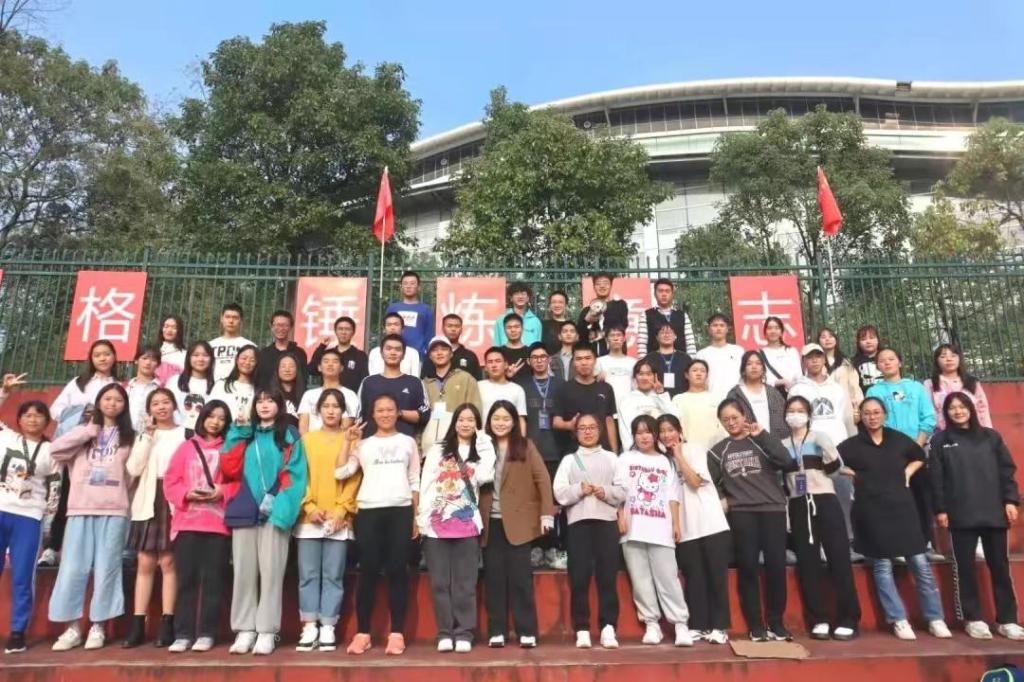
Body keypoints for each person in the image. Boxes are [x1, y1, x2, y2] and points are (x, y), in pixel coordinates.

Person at [838, 397, 951, 641]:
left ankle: (935, 618)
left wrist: (908, 471)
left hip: (903, 509)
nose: (872, 417)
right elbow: (833, 463)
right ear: (861, 417)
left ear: (885, 414)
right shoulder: (851, 445)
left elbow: (919, 456)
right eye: (867, 413)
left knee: (920, 563)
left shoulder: (898, 439)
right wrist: (853, 473)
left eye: (876, 412)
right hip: (872, 511)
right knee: (882, 566)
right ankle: (898, 619)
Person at [48, 384, 135, 651]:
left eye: (118, 400)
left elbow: (132, 474)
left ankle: (98, 626)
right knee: (73, 568)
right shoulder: (83, 432)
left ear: (125, 405)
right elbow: (55, 451)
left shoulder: (129, 436)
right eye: (107, 399)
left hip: (114, 509)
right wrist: (87, 432)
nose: (112, 404)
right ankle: (72, 627)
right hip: (80, 508)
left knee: (107, 569)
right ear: (98, 402)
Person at [930, 392, 1024, 640]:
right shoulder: (940, 441)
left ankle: (1007, 620)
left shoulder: (991, 437)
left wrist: (1010, 500)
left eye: (962, 406)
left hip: (994, 512)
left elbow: (1007, 470)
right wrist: (940, 509)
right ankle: (973, 619)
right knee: (965, 569)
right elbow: (936, 479)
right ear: (946, 413)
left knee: (1000, 568)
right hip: (960, 515)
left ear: (971, 408)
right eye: (952, 408)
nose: (958, 411)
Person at [221, 389, 307, 656]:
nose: (264, 405)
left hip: (275, 512)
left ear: (280, 405)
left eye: (270, 400)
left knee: (271, 573)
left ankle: (267, 630)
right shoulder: (244, 433)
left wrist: (280, 507)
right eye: (259, 401)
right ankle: (244, 629)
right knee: (243, 572)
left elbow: (295, 474)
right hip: (245, 509)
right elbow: (229, 468)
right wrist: (238, 432)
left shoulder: (289, 434)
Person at [335, 394, 420, 656]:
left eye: (390, 409)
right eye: (380, 410)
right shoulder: (364, 445)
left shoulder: (408, 442)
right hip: (369, 511)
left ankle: (397, 633)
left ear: (397, 413)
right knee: (368, 571)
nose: (385, 414)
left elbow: (414, 480)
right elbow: (341, 472)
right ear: (372, 414)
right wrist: (347, 442)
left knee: (397, 570)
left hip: (400, 510)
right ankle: (363, 633)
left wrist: (415, 516)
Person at [708, 399, 797, 641]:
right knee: (748, 568)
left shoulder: (761, 440)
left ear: (744, 416)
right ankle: (756, 625)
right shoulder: (718, 451)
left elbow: (787, 462)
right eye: (725, 420)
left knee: (776, 567)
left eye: (734, 417)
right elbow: (710, 483)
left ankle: (776, 623)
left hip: (773, 510)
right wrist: (724, 498)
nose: (731, 423)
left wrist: (763, 436)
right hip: (742, 513)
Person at [780, 396, 860, 641]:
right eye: (791, 410)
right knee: (808, 562)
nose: (795, 414)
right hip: (798, 503)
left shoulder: (819, 438)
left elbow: (835, 469)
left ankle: (848, 618)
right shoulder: (782, 445)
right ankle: (819, 619)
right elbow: (782, 480)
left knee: (839, 558)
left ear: (808, 415)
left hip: (824, 499)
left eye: (800, 410)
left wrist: (826, 450)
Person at [419, 404, 495, 653]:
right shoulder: (438, 450)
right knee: (440, 583)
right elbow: (427, 483)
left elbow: (485, 476)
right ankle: (445, 632)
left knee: (465, 584)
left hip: (467, 524)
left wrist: (483, 440)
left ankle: (464, 632)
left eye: (471, 420)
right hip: (436, 525)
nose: (465, 424)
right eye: (461, 419)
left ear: (477, 424)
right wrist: (422, 518)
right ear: (454, 422)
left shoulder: (481, 451)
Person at [480, 400, 555, 649]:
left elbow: (542, 479)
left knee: (521, 579)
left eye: (505, 419)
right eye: (496, 418)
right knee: (494, 579)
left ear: (514, 422)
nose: (500, 423)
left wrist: (546, 514)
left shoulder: (525, 446)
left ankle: (527, 630)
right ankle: (497, 631)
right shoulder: (482, 446)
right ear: (489, 421)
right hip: (489, 522)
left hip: (520, 523)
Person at [614, 415, 693, 647]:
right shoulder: (625, 458)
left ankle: (680, 624)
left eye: (648, 432)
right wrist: (620, 518)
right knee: (640, 580)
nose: (644, 437)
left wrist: (676, 524)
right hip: (632, 529)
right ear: (633, 436)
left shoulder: (666, 462)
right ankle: (651, 624)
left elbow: (672, 496)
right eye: (639, 433)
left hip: (661, 528)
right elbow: (618, 491)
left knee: (668, 578)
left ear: (655, 434)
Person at [39, 339, 119, 567]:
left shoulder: (119, 385)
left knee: (95, 496)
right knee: (66, 494)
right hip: (76, 446)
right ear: (91, 359)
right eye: (97, 355)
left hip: (104, 448)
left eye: (107, 354)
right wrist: (83, 412)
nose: (103, 358)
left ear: (115, 357)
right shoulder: (78, 383)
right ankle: (52, 547)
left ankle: (88, 552)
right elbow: (55, 411)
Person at [294, 390, 362, 653]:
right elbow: (298, 476)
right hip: (309, 519)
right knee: (308, 574)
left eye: (336, 406)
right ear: (318, 410)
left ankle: (328, 626)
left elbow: (354, 479)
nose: (331, 411)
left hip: (338, 520)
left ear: (343, 411)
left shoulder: (351, 440)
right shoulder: (306, 440)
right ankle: (309, 625)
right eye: (326, 406)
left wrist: (341, 511)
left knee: (333, 575)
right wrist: (309, 506)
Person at [162, 400, 233, 653]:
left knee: (213, 581)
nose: (216, 422)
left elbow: (238, 482)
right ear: (202, 418)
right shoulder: (186, 447)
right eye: (211, 416)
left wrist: (221, 491)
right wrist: (186, 493)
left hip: (218, 525)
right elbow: (170, 481)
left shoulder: (230, 448)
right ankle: (183, 633)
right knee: (186, 580)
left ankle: (206, 632)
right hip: (187, 524)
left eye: (221, 418)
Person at [552, 414, 626, 649]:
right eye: (582, 428)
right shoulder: (569, 460)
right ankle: (582, 628)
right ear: (576, 433)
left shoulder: (612, 458)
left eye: (592, 427)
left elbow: (623, 489)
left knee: (607, 577)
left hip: (606, 523)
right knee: (579, 577)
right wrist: (578, 490)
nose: (587, 431)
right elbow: (559, 492)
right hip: (578, 524)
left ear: (600, 430)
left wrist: (605, 492)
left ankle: (608, 627)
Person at [658, 414, 730, 645]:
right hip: (686, 529)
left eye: (671, 430)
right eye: (662, 431)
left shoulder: (695, 450)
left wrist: (679, 455)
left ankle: (719, 626)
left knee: (716, 578)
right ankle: (698, 625)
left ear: (680, 431)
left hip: (711, 524)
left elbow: (695, 482)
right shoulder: (662, 461)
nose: (667, 435)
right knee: (694, 578)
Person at [123, 388, 186, 648]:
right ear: (149, 410)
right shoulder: (145, 435)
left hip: (174, 498)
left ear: (174, 405)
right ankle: (138, 624)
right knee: (145, 561)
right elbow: (133, 468)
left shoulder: (186, 434)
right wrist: (147, 437)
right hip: (149, 499)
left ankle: (168, 623)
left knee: (169, 562)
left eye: (166, 402)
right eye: (156, 403)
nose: (161, 407)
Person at [865, 347, 940, 560]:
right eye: (882, 360)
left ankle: (925, 544)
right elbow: (873, 421)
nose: (887, 363)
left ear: (900, 362)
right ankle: (897, 545)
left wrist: (917, 445)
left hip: (917, 450)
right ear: (877, 366)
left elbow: (928, 418)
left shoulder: (916, 388)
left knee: (921, 497)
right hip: (888, 453)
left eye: (891, 359)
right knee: (893, 500)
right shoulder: (874, 392)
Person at [0, 374, 56, 654]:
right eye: (28, 415)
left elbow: (55, 489)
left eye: (39, 415)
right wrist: (4, 391)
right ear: (19, 419)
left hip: (29, 517)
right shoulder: (6, 437)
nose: (33, 420)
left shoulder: (51, 451)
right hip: (1, 508)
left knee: (23, 575)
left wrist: (47, 523)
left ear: (47, 421)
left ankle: (17, 631)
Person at [789, 343, 858, 560]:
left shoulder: (836, 388)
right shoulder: (797, 389)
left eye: (818, 356)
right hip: (808, 452)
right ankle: (816, 544)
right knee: (809, 497)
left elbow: (846, 418)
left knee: (843, 496)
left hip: (837, 449)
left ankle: (848, 542)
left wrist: (851, 447)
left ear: (824, 359)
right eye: (809, 357)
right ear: (804, 361)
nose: (814, 360)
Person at [519, 342, 567, 569]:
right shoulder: (521, 386)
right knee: (533, 501)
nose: (539, 360)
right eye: (535, 357)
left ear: (549, 360)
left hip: (556, 451)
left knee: (555, 503)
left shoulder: (561, 385)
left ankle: (554, 547)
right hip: (531, 451)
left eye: (543, 356)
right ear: (529, 361)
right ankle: (536, 547)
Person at [358, 334, 429, 438]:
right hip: (372, 441)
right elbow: (359, 417)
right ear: (381, 353)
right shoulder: (368, 382)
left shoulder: (415, 382)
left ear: (403, 355)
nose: (393, 352)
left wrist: (399, 413)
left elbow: (425, 415)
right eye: (388, 349)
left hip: (405, 442)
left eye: (398, 349)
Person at [553, 343, 619, 453]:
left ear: (595, 361)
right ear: (573, 362)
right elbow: (556, 422)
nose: (583, 363)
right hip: (575, 451)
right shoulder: (563, 389)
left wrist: (614, 452)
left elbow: (609, 421)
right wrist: (570, 425)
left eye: (588, 358)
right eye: (578, 359)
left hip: (602, 450)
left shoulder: (606, 388)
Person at [420, 336, 481, 451]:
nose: (439, 353)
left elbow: (476, 411)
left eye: (443, 349)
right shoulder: (424, 384)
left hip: (458, 444)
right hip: (429, 446)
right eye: (434, 350)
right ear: (430, 356)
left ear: (451, 354)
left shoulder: (466, 379)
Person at [924, 344, 992, 431]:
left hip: (972, 431)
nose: (949, 359)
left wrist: (987, 432)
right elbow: (929, 412)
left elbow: (982, 409)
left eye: (953, 356)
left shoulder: (972, 382)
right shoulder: (930, 384)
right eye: (943, 356)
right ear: (937, 361)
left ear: (959, 359)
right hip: (943, 432)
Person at [725, 351, 788, 439]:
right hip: (747, 444)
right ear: (743, 370)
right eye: (749, 364)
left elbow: (785, 418)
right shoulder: (734, 394)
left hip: (775, 443)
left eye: (758, 363)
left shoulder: (774, 393)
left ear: (763, 369)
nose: (754, 367)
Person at [297, 348, 359, 435]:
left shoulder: (350, 395)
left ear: (341, 368)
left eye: (335, 361)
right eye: (326, 361)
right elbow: (303, 428)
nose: (330, 364)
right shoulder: (309, 395)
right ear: (319, 367)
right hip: (310, 442)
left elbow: (345, 427)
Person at [616, 359, 673, 449]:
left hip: (662, 450)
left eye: (649, 374)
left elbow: (674, 419)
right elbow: (625, 430)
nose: (645, 378)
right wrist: (631, 451)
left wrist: (661, 394)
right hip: (636, 451)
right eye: (641, 374)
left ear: (655, 376)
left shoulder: (661, 397)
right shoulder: (626, 399)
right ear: (635, 377)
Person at [670, 360, 726, 449]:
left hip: (714, 449)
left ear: (707, 376)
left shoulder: (716, 398)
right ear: (687, 375)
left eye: (702, 371)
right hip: (686, 449)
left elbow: (724, 426)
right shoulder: (678, 399)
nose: (699, 373)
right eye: (694, 370)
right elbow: (673, 426)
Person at [306, 316, 369, 394]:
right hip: (327, 397)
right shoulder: (328, 354)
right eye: (340, 329)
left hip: (350, 398)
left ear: (353, 332)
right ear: (335, 331)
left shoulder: (360, 355)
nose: (343, 332)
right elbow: (312, 369)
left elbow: (364, 380)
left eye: (347, 329)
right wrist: (322, 347)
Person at [637, 278, 696, 357]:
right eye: (660, 291)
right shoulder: (646, 315)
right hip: (654, 362)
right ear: (655, 294)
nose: (664, 294)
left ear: (672, 294)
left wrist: (691, 362)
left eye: (667, 291)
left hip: (680, 361)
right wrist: (643, 363)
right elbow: (642, 344)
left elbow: (690, 343)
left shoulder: (682, 315)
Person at [167, 341, 216, 435]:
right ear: (188, 358)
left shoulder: (216, 385)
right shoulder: (174, 381)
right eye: (196, 355)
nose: (200, 359)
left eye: (205, 355)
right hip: (175, 433)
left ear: (211, 359)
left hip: (204, 435)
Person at [578, 272, 629, 357]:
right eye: (598, 284)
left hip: (615, 353)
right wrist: (588, 319)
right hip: (593, 355)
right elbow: (581, 333)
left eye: (605, 283)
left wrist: (600, 334)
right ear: (594, 287)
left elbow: (623, 325)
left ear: (611, 286)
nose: (602, 286)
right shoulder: (586, 311)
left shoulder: (620, 305)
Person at [478, 347, 528, 435]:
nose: (494, 365)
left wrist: (522, 441)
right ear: (485, 367)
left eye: (498, 361)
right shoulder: (477, 386)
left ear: (506, 365)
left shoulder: (517, 389)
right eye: (490, 362)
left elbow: (521, 419)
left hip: (510, 440)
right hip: (483, 439)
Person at [818, 327, 864, 422]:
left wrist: (857, 407)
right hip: (825, 409)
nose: (827, 339)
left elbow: (854, 387)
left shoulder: (846, 363)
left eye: (831, 336)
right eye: (823, 337)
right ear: (818, 341)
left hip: (846, 409)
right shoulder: (815, 363)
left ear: (836, 340)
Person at [385, 270, 434, 359]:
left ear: (419, 287)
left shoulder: (426, 309)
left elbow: (429, 335)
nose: (408, 286)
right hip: (394, 354)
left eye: (412, 283)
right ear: (401, 287)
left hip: (418, 356)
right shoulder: (393, 308)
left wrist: (428, 355)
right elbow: (386, 332)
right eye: (405, 283)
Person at [255, 310, 308, 389]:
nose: (280, 328)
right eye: (277, 325)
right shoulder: (263, 354)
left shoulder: (299, 353)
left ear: (291, 327)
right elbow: (259, 380)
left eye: (285, 325)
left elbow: (303, 380)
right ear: (271, 327)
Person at [694, 314, 744, 398]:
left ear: (727, 329)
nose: (718, 328)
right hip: (711, 400)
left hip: (736, 399)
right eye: (715, 325)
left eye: (722, 325)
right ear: (709, 329)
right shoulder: (701, 354)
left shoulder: (738, 351)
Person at [422, 314, 482, 380]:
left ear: (461, 329)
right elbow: (424, 379)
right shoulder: (433, 354)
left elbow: (477, 381)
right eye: (449, 326)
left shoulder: (470, 356)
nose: (453, 329)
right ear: (443, 328)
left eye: (457, 326)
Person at [209, 345, 258, 422]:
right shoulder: (221, 385)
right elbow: (209, 409)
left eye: (252, 360)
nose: (247, 362)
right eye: (244, 358)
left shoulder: (258, 389)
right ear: (237, 359)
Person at [642, 323, 691, 398]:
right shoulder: (648, 359)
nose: (666, 335)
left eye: (670, 332)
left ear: (675, 336)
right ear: (657, 337)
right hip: (656, 399)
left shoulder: (685, 358)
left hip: (682, 399)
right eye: (662, 332)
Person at [209, 303, 255, 382]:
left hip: (240, 388)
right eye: (227, 317)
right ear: (221, 319)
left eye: (235, 318)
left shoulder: (250, 346)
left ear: (241, 320)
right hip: (214, 387)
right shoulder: (211, 345)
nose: (231, 321)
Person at [368, 313, 422, 377]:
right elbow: (372, 378)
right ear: (384, 330)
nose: (392, 328)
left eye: (396, 324)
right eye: (389, 325)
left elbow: (415, 379)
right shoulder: (374, 352)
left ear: (402, 329)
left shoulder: (413, 353)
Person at [595, 325, 636, 408]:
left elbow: (635, 387)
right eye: (612, 335)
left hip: (628, 407)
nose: (616, 338)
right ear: (607, 339)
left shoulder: (633, 362)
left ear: (624, 339)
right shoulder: (599, 361)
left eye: (618, 335)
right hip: (606, 407)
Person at [759, 317, 802, 394]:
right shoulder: (760, 354)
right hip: (770, 394)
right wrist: (779, 382)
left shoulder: (791, 351)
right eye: (769, 328)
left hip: (792, 393)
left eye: (777, 328)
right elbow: (760, 379)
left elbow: (799, 375)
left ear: (781, 332)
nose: (773, 331)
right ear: (765, 332)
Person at [125, 346, 162, 433]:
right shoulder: (125, 387)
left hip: (149, 435)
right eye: (144, 358)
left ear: (158, 364)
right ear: (136, 360)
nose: (148, 363)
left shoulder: (160, 388)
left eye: (153, 360)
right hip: (124, 435)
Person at [495, 282, 543, 347]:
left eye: (523, 294)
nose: (520, 297)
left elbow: (538, 346)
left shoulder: (535, 321)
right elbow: (497, 344)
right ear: (511, 298)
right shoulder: (501, 320)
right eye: (516, 294)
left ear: (528, 298)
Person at [270, 354, 305, 427]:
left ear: (297, 370)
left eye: (291, 366)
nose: (287, 370)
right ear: (277, 370)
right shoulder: (269, 394)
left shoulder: (305, 395)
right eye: (283, 366)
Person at [154, 315, 187, 386]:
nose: (169, 330)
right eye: (166, 326)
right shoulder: (153, 351)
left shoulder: (184, 354)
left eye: (174, 327)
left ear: (179, 331)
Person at [498, 314, 532, 380]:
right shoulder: (498, 353)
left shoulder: (530, 352)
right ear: (504, 330)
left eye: (516, 327)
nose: (513, 330)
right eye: (509, 327)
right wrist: (506, 375)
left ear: (522, 329)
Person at [851, 324, 883, 392]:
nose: (868, 341)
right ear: (858, 343)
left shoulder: (887, 357)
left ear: (878, 340)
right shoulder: (853, 362)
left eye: (872, 338)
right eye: (863, 339)